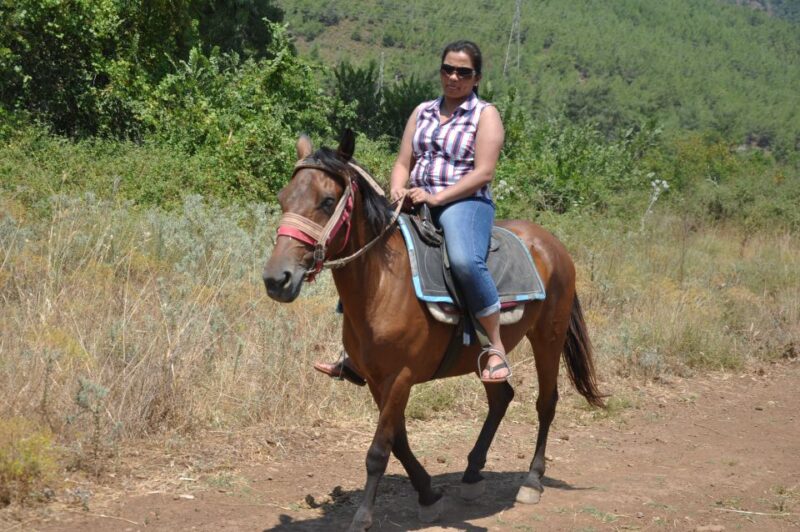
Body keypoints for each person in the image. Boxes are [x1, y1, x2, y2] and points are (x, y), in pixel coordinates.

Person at [315, 40, 509, 383]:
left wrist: (438, 198)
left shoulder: (485, 114)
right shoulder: (423, 112)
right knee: (366, 252)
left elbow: (484, 172)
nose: (453, 77)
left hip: (465, 202)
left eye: (463, 72)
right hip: (415, 199)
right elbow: (404, 162)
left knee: (465, 260)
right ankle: (356, 352)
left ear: (476, 78)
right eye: (447, 69)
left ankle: (494, 347)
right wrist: (398, 189)